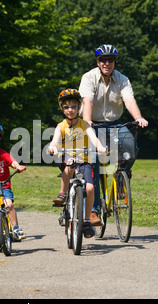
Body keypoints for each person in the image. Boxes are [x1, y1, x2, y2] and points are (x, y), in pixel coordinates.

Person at [79, 44, 148, 225]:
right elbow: (87, 101)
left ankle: (121, 178)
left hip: (115, 123)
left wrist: (138, 117)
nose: (107, 63)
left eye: (110, 60)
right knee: (93, 162)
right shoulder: (89, 77)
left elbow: (129, 100)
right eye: (103, 60)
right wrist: (87, 122)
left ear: (115, 62)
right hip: (92, 123)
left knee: (131, 147)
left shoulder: (122, 79)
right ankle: (93, 211)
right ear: (98, 62)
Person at [48, 89, 106, 238]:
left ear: (79, 107)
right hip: (68, 158)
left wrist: (99, 146)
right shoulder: (60, 126)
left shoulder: (85, 124)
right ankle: (62, 193)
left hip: (85, 159)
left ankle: (86, 220)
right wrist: (53, 147)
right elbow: (54, 140)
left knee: (91, 187)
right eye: (66, 107)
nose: (70, 110)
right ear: (62, 109)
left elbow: (93, 137)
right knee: (68, 166)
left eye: (74, 106)